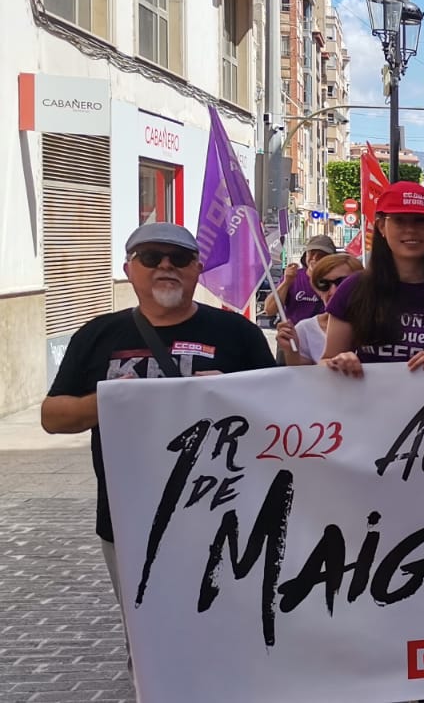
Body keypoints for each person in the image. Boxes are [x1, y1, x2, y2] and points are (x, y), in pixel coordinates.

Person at [41, 222, 275, 655]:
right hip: (130, 518)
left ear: (197, 269)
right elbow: (53, 417)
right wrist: (116, 399)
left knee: (232, 635)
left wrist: (230, 394)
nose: (166, 266)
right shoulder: (97, 335)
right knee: (149, 640)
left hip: (225, 514)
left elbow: (281, 416)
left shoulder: (238, 335)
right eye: (151, 257)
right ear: (130, 269)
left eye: (179, 258)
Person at [321, 182, 424, 376]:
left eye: (420, 220)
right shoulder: (353, 289)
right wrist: (338, 363)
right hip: (365, 405)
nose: (410, 230)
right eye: (399, 220)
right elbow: (326, 362)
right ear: (382, 226)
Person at [277, 253, 362, 366]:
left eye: (343, 283)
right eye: (323, 284)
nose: (333, 292)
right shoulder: (305, 329)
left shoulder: (381, 325)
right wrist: (292, 352)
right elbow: (305, 374)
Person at [263, 234, 338, 324]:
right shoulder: (293, 277)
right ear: (305, 255)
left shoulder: (338, 280)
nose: (314, 258)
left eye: (321, 255)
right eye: (311, 253)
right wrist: (286, 282)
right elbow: (269, 310)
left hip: (326, 336)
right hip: (295, 335)